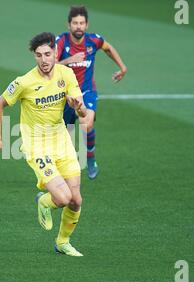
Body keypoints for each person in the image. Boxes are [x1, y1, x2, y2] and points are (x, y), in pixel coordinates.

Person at [0, 32, 87, 257]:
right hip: (37, 146)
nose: (44, 60)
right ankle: (44, 202)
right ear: (34, 56)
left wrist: (77, 107)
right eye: (38, 55)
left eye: (47, 54)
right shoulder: (24, 82)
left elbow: (81, 111)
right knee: (62, 199)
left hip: (61, 141)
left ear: (55, 53)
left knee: (76, 200)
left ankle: (62, 242)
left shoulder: (67, 74)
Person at [56, 5, 127, 179]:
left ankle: (90, 159)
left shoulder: (94, 41)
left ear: (87, 25)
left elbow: (108, 48)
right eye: (75, 23)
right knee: (64, 134)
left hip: (87, 91)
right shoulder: (61, 41)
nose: (78, 26)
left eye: (81, 23)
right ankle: (62, 171)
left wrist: (122, 68)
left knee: (86, 123)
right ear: (68, 25)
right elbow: (49, 66)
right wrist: (69, 60)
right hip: (65, 94)